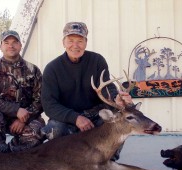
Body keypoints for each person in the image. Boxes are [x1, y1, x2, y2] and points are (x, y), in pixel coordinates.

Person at [40, 22, 132, 160]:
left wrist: (116, 99)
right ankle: (63, 162)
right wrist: (75, 118)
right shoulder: (52, 68)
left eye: (80, 41)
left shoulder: (97, 61)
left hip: (95, 114)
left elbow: (108, 88)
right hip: (68, 118)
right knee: (54, 128)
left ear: (86, 42)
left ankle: (108, 160)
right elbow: (49, 105)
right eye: (70, 41)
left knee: (119, 120)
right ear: (63, 42)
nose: (75, 45)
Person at [0, 30, 45, 152]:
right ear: (1, 46)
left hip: (24, 119)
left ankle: (13, 154)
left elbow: (41, 99)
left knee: (38, 129)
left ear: (20, 45)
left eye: (14, 42)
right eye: (6, 42)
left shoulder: (33, 70)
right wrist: (15, 110)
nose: (10, 46)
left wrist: (23, 119)